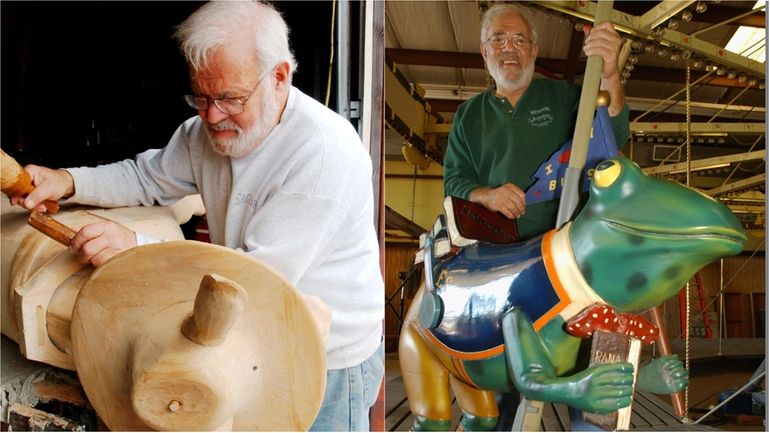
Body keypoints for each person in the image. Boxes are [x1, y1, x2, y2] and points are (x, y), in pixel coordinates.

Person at [10, 1, 383, 431]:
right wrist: (68, 181)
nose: (211, 116)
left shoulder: (321, 154)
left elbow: (257, 277)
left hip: (326, 357)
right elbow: (145, 177)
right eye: (200, 97)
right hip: (251, 334)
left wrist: (135, 252)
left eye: (229, 98)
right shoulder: (203, 132)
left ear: (279, 77)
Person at [443, 3, 630, 241]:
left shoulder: (564, 97)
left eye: (520, 40)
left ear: (534, 50)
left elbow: (612, 135)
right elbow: (454, 182)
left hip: (565, 245)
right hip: (495, 251)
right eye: (498, 40)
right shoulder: (467, 115)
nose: (509, 49)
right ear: (484, 50)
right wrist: (488, 196)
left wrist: (609, 74)